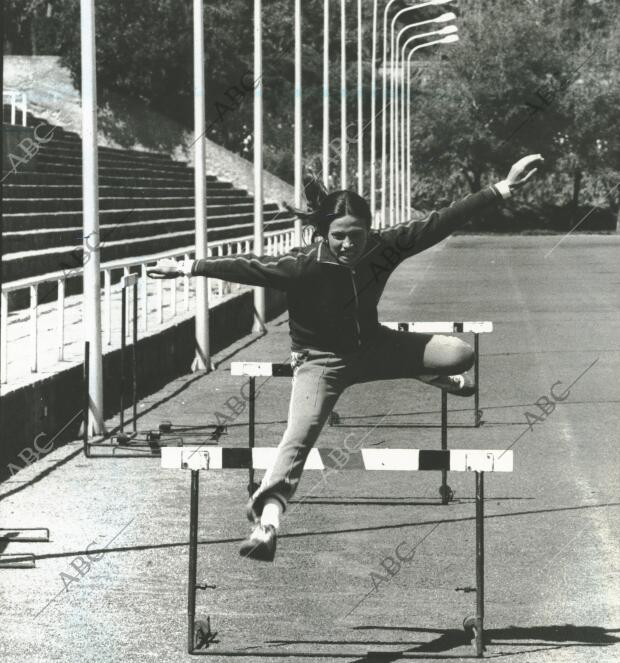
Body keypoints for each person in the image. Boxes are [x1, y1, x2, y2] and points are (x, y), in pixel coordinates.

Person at [149, 153, 543, 562]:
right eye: (339, 236)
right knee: (297, 438)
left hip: (374, 348)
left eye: (356, 235)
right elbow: (247, 265)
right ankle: (267, 524)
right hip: (321, 363)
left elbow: (440, 222)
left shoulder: (383, 247)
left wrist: (501, 189)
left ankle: (425, 371)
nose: (349, 245)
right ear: (323, 233)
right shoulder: (301, 266)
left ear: (369, 230)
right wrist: (187, 267)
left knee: (460, 354)